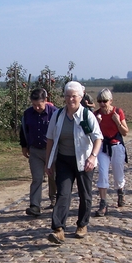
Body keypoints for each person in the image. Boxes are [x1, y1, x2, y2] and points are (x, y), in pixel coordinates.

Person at [45, 81, 103, 243]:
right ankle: (58, 229)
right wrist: (48, 162)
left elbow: (98, 139)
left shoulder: (87, 116)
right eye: (67, 96)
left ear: (81, 97)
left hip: (84, 161)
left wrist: (93, 156)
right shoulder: (57, 116)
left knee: (85, 194)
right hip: (64, 160)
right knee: (63, 193)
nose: (70, 99)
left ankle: (82, 224)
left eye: (74, 96)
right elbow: (50, 139)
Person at [20, 88, 58, 216]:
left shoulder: (55, 113)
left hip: (52, 151)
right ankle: (35, 206)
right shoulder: (27, 114)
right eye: (34, 104)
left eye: (39, 105)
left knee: (53, 176)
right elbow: (24, 130)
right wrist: (24, 146)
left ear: (45, 101)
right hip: (35, 151)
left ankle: (54, 199)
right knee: (37, 178)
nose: (36, 107)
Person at [93, 88, 129, 216]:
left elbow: (125, 132)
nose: (102, 104)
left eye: (105, 101)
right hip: (102, 147)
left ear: (110, 101)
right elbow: (90, 134)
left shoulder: (117, 112)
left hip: (116, 145)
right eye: (100, 101)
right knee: (102, 172)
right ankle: (103, 203)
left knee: (118, 172)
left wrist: (117, 121)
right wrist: (96, 123)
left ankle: (120, 190)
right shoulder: (96, 114)